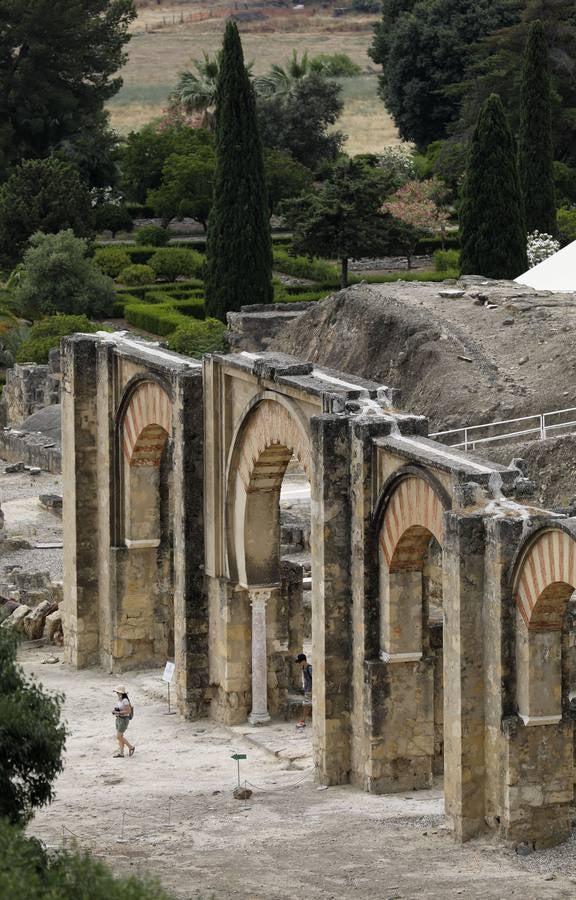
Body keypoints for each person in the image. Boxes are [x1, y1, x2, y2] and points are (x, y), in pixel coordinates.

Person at [112, 686, 135, 758]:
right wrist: (116, 711)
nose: (116, 693)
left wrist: (118, 712)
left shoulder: (125, 700)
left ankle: (131, 747)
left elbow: (128, 711)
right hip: (119, 718)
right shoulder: (120, 699)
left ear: (121, 693)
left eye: (117, 692)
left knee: (118, 737)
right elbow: (122, 709)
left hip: (123, 719)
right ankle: (121, 753)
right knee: (120, 737)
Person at [295, 653, 312, 728]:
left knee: (306, 705)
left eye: (299, 662)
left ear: (304, 661)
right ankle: (303, 720)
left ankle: (303, 721)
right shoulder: (303, 668)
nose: (299, 664)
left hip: (310, 690)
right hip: (307, 690)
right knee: (306, 705)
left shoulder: (309, 668)